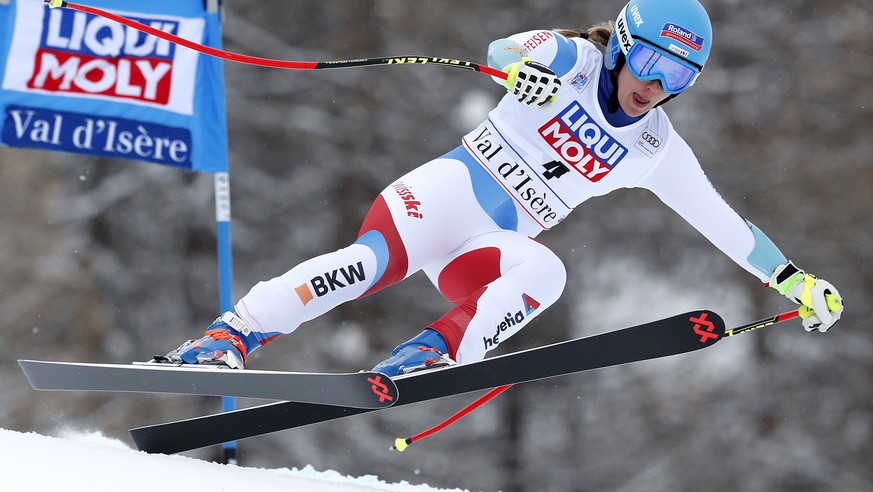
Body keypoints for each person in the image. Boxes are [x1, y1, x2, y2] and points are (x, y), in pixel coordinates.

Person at [159, 0, 843, 374]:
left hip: (488, 245)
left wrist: (793, 279)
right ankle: (227, 338)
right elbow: (503, 50)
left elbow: (719, 221)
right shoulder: (575, 58)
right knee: (361, 267)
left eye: (680, 78)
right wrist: (522, 69)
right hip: (440, 198)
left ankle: (429, 357)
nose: (656, 87)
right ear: (627, 43)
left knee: (546, 272)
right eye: (654, 64)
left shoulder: (654, 147)